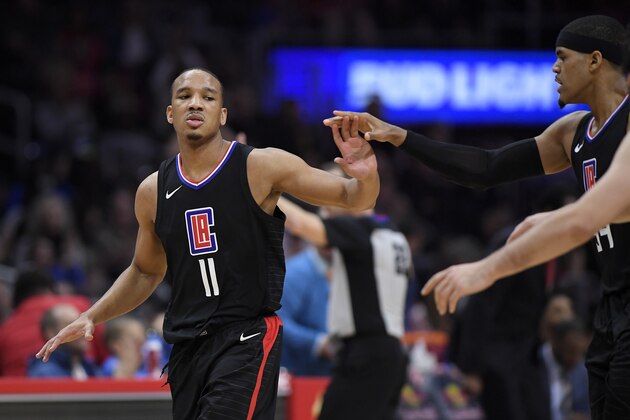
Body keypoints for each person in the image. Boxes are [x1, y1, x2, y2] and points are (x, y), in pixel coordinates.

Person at [327, 15, 630, 419]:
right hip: (612, 306)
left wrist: (485, 270)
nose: (554, 68)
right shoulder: (572, 131)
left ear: (595, 61)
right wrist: (398, 135)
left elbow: (580, 221)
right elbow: (484, 169)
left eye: (562, 57)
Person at [36, 68, 379, 420]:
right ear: (170, 113)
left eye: (208, 97)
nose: (195, 103)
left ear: (223, 114)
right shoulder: (152, 191)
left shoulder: (260, 166)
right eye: (184, 96)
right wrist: (92, 315)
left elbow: (354, 199)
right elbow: (144, 271)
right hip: (186, 348)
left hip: (246, 336)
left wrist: (365, 173)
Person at [277, 178, 412, 420]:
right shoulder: (393, 233)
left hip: (365, 354)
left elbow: (298, 223)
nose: (325, 211)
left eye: (330, 200)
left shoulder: (360, 231)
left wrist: (264, 188)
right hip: (393, 354)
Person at [277, 243, 333, 377]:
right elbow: (278, 321)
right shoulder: (296, 273)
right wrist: (318, 343)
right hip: (298, 373)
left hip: (329, 372)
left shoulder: (344, 270)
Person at [28, 303, 99, 379]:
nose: (84, 329)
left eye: (82, 324)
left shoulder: (90, 366)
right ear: (50, 333)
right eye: (72, 325)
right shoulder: (44, 374)